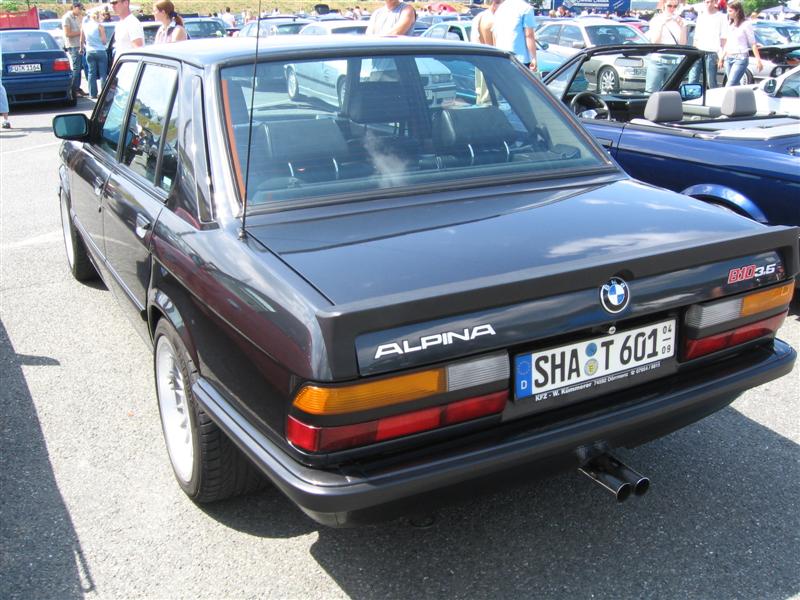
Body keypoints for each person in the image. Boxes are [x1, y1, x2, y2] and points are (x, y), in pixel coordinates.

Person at [645, 0, 687, 92]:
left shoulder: (681, 21)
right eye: (669, 6)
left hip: (675, 61)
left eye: (675, 6)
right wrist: (661, 25)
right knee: (651, 92)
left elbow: (682, 44)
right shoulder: (656, 20)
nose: (672, 9)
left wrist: (682, 28)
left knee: (671, 93)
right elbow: (655, 42)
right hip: (657, 61)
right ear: (664, 4)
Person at [720, 1, 762, 86]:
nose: (728, 13)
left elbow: (753, 43)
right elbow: (728, 43)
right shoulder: (730, 24)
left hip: (740, 58)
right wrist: (721, 58)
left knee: (730, 84)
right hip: (728, 57)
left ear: (737, 11)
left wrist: (758, 60)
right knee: (735, 84)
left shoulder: (746, 24)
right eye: (728, 10)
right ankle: (739, 95)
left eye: (730, 11)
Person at [492, 0, 537, 72]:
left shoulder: (501, 8)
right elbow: (529, 35)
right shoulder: (526, 8)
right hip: (520, 59)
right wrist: (534, 58)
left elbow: (495, 34)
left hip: (502, 57)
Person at [691, 0, 727, 88]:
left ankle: (714, 97)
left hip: (712, 53)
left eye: (711, 2)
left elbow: (723, 39)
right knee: (692, 80)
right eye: (707, 2)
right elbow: (696, 36)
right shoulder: (701, 16)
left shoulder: (721, 17)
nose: (709, 4)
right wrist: (694, 52)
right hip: (699, 51)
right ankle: (691, 96)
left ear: (715, 2)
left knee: (711, 81)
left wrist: (721, 57)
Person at [80, 11, 108, 99]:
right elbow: (104, 41)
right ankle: (103, 94)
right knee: (103, 73)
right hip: (100, 51)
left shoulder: (84, 26)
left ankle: (92, 94)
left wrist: (81, 48)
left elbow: (81, 40)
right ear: (97, 17)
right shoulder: (100, 26)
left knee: (91, 73)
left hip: (89, 51)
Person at [62, 2, 86, 98]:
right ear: (75, 8)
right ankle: (74, 89)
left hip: (79, 45)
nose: (80, 12)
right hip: (73, 45)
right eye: (80, 9)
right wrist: (81, 32)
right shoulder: (67, 17)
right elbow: (67, 33)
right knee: (76, 68)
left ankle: (77, 88)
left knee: (79, 68)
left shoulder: (77, 17)